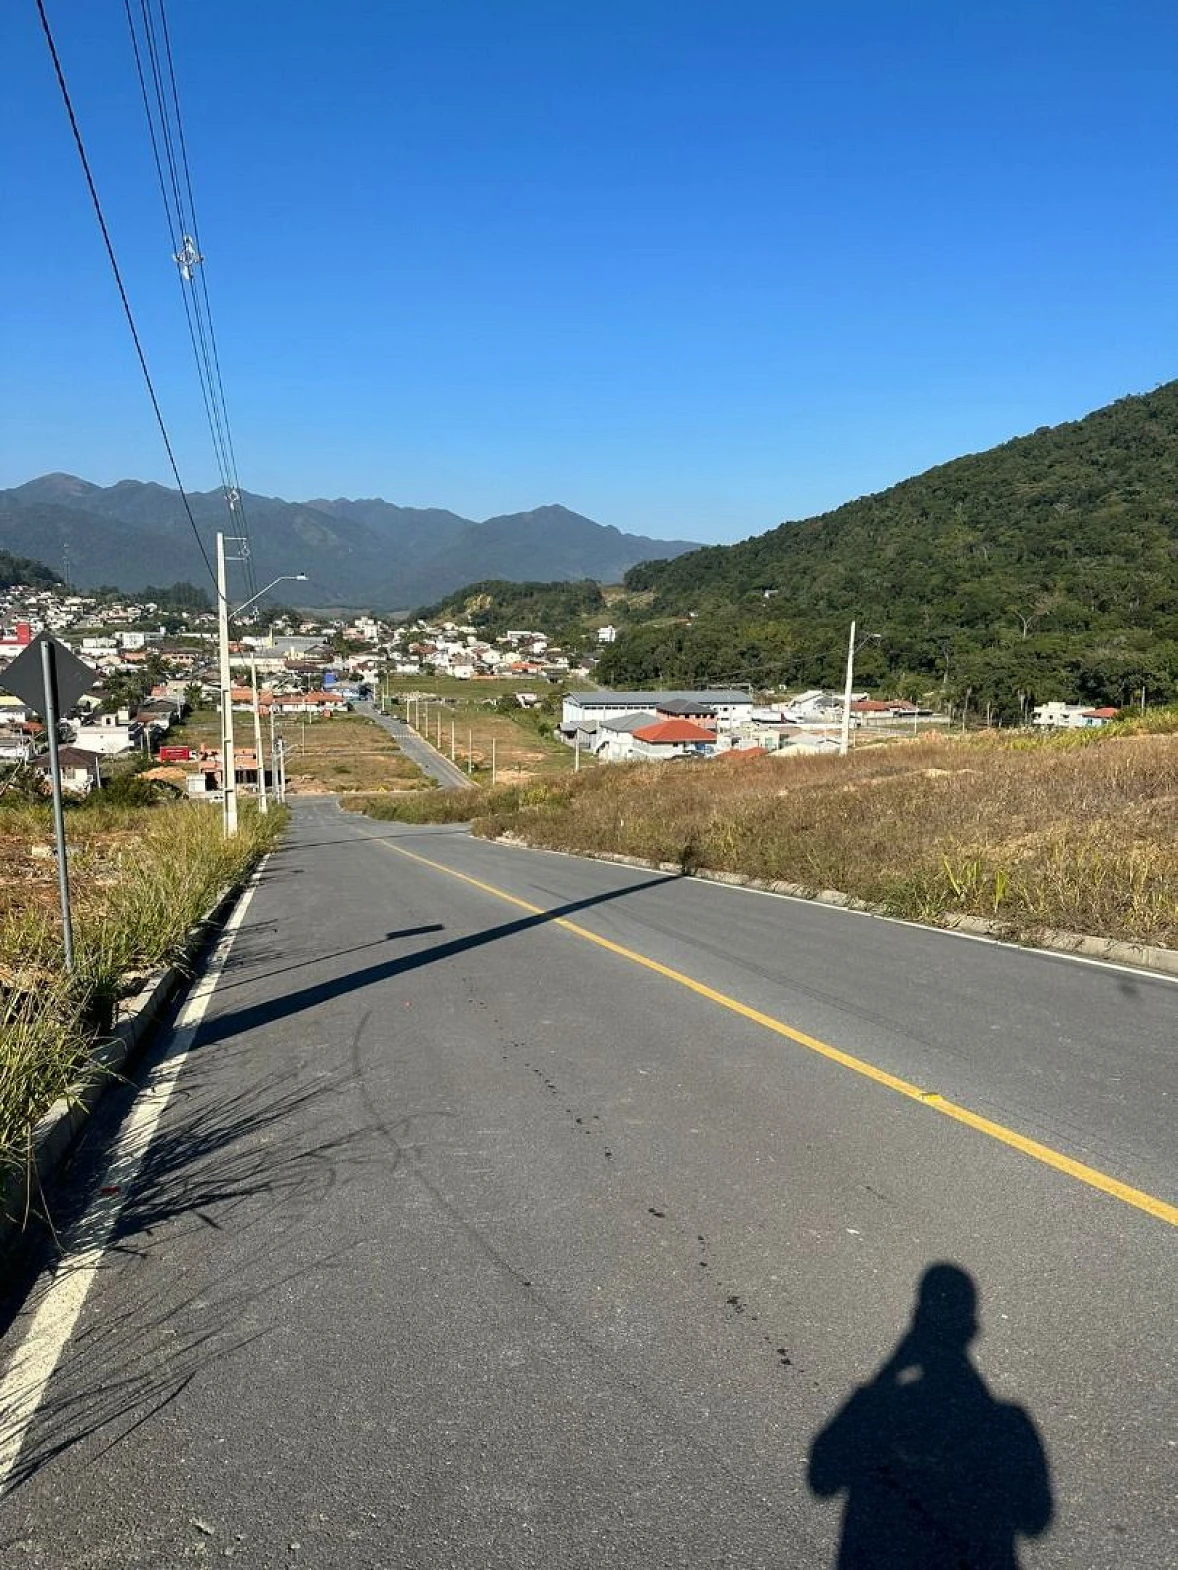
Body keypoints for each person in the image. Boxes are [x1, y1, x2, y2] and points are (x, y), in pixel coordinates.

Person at [808, 1264, 1053, 1569]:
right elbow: (1035, 1519)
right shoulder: (1009, 1424)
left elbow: (823, 1478)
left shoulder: (877, 1406)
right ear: (971, 1327)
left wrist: (885, 1378)